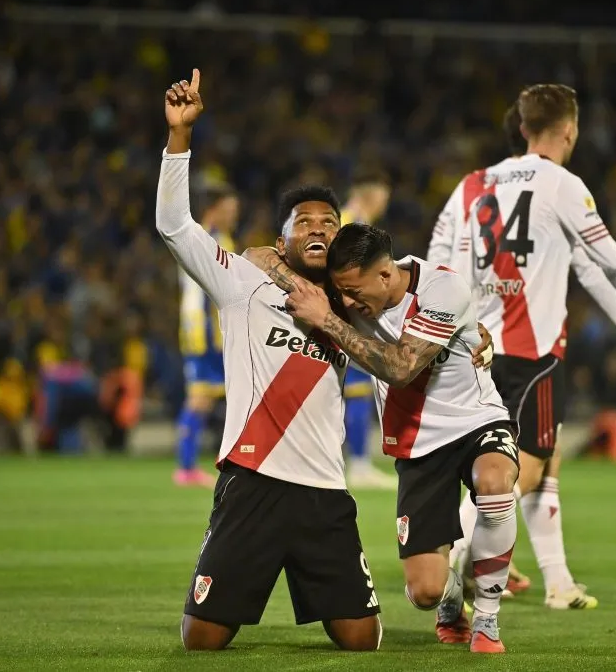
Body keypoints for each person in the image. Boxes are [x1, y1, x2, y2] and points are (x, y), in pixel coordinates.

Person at [158, 69, 381, 652]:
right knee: (201, 639)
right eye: (303, 222)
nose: (317, 229)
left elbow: (414, 295)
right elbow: (174, 227)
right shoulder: (241, 282)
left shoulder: (354, 305)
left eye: (328, 223)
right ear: (280, 240)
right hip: (252, 480)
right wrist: (179, 138)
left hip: (323, 491)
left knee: (363, 639)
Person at [429, 102, 616, 607]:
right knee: (525, 468)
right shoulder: (559, 185)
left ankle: (557, 582)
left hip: (475, 348)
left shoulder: (472, 185)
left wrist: (440, 331)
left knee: (548, 456)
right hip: (532, 353)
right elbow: (605, 262)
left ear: (519, 126)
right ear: (570, 129)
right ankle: (460, 557)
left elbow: (437, 263)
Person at [251, 224, 520, 654]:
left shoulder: (442, 289)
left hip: (476, 421)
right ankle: (452, 601)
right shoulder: (349, 292)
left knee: (494, 483)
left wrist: (327, 321)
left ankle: (487, 619)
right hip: (417, 447)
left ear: (385, 274)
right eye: (342, 293)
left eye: (356, 293)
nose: (350, 302)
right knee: (424, 592)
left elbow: (399, 368)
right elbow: (256, 256)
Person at [174, 183, 240, 487]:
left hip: (211, 331)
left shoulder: (216, 237)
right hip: (204, 332)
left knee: (213, 398)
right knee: (200, 398)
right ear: (214, 209)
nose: (233, 215)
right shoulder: (206, 238)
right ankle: (185, 467)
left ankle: (206, 462)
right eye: (229, 210)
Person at [339, 169, 394, 489]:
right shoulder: (354, 225)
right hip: (351, 318)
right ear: (368, 197)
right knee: (358, 390)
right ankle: (358, 463)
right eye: (382, 200)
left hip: (344, 315)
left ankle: (355, 460)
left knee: (349, 391)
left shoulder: (343, 220)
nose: (384, 207)